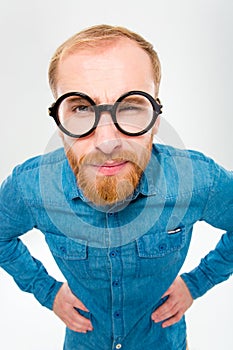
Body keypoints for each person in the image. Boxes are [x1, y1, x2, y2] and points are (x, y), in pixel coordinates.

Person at [0, 24, 233, 350]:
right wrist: (46, 291)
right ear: (58, 118)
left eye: (130, 106)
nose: (108, 141)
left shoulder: (196, 179)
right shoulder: (30, 187)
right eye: (81, 108)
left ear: (156, 114)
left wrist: (197, 283)